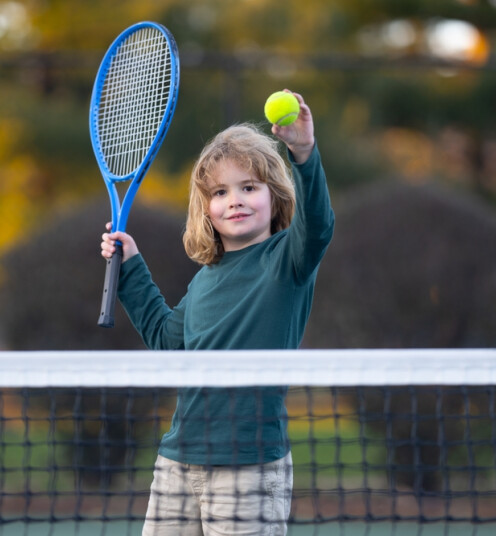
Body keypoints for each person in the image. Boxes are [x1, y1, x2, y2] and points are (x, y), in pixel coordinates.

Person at [100, 90, 334, 536]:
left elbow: (319, 224)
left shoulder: (290, 259)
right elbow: (169, 342)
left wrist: (302, 152)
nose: (235, 200)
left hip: (248, 467)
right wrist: (129, 265)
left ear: (275, 195)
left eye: (249, 187)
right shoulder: (205, 278)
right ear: (206, 208)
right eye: (221, 192)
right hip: (177, 462)